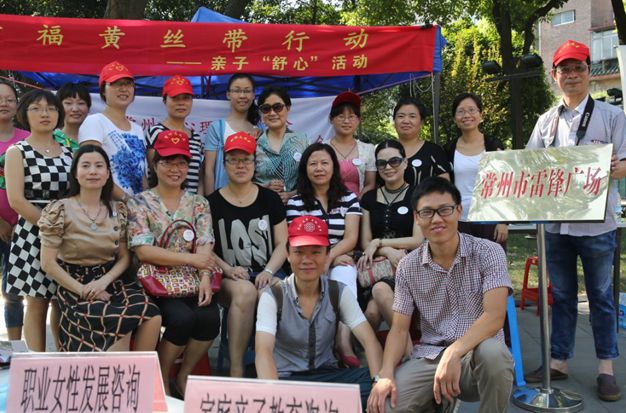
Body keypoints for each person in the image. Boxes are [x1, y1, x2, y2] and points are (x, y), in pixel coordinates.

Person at [524, 40, 626, 402]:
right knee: (563, 295)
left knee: (601, 297)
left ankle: (606, 369)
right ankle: (559, 361)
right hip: (556, 225)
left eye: (578, 68)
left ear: (588, 72)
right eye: (564, 69)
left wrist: (616, 168)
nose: (571, 75)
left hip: (597, 225)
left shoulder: (612, 116)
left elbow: (625, 163)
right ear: (554, 76)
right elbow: (531, 164)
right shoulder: (546, 121)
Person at [368, 177, 513, 413]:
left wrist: (454, 352)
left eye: (444, 210)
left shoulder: (488, 252)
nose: (436, 219)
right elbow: (399, 329)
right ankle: (437, 402)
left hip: (477, 356)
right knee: (385, 405)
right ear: (416, 218)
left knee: (494, 353)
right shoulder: (408, 266)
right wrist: (385, 374)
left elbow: (495, 317)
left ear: (459, 211)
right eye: (427, 212)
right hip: (430, 357)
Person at [38, 144, 161, 352]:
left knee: (152, 314)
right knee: (119, 321)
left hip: (111, 279)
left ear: (107, 174)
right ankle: (115, 372)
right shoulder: (59, 209)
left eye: (99, 166)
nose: (93, 171)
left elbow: (124, 258)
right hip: (75, 284)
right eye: (85, 166)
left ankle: (141, 372)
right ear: (75, 173)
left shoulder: (118, 210)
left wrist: (104, 281)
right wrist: (84, 290)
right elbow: (48, 263)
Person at [127, 129, 221, 397]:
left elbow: (205, 240)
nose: (175, 169)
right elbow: (143, 250)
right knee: (181, 318)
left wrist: (205, 275)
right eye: (168, 162)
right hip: (154, 282)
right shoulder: (140, 202)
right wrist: (193, 259)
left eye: (181, 163)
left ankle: (184, 375)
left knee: (210, 318)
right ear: (155, 165)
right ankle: (162, 376)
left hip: (193, 279)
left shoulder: (198, 202)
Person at [255, 215, 383, 409]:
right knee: (262, 392)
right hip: (287, 380)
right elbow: (263, 351)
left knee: (379, 383)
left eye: (316, 252)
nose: (307, 260)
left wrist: (378, 384)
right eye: (299, 252)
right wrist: (275, 397)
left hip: (328, 378)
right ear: (288, 254)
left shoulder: (338, 292)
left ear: (327, 254)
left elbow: (369, 341)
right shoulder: (273, 296)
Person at [207, 131, 288, 377]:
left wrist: (269, 270)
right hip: (230, 277)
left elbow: (282, 244)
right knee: (245, 292)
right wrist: (227, 269)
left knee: (271, 293)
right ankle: (236, 369)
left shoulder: (270, 199)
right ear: (224, 164)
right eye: (233, 160)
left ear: (255, 163)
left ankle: (279, 366)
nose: (240, 165)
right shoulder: (210, 203)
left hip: (268, 272)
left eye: (246, 160)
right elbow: (206, 248)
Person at [4, 89, 73, 351]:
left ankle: (62, 356)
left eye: (51, 108)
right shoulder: (17, 151)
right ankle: (36, 361)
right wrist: (51, 227)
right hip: (34, 232)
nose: (45, 114)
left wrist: (67, 228)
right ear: (24, 114)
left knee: (61, 299)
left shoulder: (68, 151)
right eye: (37, 108)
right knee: (37, 300)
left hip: (68, 231)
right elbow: (16, 200)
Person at [286, 143, 361, 367]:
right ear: (305, 169)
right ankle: (315, 347)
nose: (319, 168)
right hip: (308, 259)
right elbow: (298, 240)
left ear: (334, 167)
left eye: (324, 163)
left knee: (345, 274)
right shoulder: (296, 202)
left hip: (339, 257)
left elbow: (351, 238)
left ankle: (342, 340)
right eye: (313, 164)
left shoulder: (349, 198)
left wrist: (330, 257)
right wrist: (325, 259)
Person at [357, 139, 423, 356]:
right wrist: (385, 250)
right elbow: (365, 242)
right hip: (378, 267)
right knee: (372, 313)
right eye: (382, 163)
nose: (388, 167)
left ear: (405, 163)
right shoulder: (369, 198)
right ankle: (381, 356)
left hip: (411, 264)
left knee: (376, 301)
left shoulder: (418, 194)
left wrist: (381, 243)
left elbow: (418, 240)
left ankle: (406, 355)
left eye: (394, 161)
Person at [444, 93, 508, 247]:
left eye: (472, 110)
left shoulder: (493, 145)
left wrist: (503, 221)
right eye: (461, 111)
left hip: (490, 218)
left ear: (481, 115)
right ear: (455, 119)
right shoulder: (448, 149)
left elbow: (505, 183)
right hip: (459, 220)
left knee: (492, 261)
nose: (467, 115)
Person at [79, 61, 147, 201]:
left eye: (128, 84)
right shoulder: (94, 122)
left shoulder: (138, 129)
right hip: (106, 206)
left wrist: (145, 203)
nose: (123, 89)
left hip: (136, 209)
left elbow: (141, 173)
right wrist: (126, 200)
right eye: (116, 84)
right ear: (103, 90)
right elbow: (92, 169)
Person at [0, 80, 29, 341]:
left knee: (13, 292)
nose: (4, 104)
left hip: (22, 228)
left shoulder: (27, 139)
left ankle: (14, 348)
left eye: (9, 99)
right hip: (2, 224)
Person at [147, 75, 204, 195]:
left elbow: (199, 178)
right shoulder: (156, 132)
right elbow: (154, 172)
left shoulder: (196, 138)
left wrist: (198, 201)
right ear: (164, 100)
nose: (181, 103)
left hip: (191, 202)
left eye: (186, 98)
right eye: (175, 98)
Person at [204, 73, 260, 195]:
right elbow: (208, 171)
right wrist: (210, 202)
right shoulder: (217, 128)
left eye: (247, 91)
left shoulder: (260, 129)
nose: (242, 96)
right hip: (223, 197)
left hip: (253, 197)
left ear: (253, 95)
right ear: (228, 94)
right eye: (237, 91)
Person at [254, 86, 309, 204]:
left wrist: (291, 195)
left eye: (277, 107)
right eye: (266, 109)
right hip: (262, 207)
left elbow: (311, 178)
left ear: (288, 108)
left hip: (298, 208)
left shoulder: (303, 141)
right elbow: (244, 180)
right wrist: (265, 187)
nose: (272, 113)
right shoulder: (254, 144)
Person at [326, 91, 376, 197]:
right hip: (328, 204)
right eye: (341, 116)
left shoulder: (368, 149)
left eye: (351, 116)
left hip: (359, 205)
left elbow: (370, 184)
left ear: (358, 120)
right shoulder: (321, 148)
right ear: (331, 119)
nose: (346, 121)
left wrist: (356, 203)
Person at [392, 97, 450, 187]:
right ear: (394, 121)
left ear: (421, 122)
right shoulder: (385, 150)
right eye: (401, 116)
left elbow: (445, 187)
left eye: (412, 116)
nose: (406, 121)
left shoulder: (434, 151)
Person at [54, 82, 90, 151]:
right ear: (58, 107)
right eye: (68, 103)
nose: (75, 109)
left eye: (81, 103)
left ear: (88, 108)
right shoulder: (50, 139)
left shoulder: (98, 138)